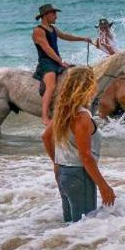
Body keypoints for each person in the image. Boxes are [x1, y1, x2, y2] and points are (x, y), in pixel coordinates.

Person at [41, 66, 115, 223]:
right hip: (79, 175)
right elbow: (85, 156)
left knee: (72, 228)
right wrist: (103, 186)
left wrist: (56, 162)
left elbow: (46, 137)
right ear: (88, 87)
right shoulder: (81, 116)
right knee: (85, 229)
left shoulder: (64, 111)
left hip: (63, 174)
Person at [31, 4, 95, 125]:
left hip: (55, 61)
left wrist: (83, 38)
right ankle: (45, 117)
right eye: (54, 14)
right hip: (46, 63)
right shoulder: (38, 30)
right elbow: (47, 49)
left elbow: (66, 36)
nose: (56, 16)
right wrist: (61, 61)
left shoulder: (53, 28)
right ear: (45, 16)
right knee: (50, 85)